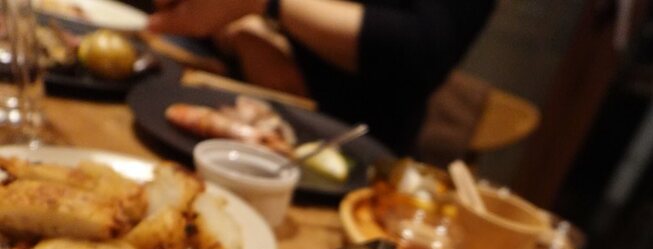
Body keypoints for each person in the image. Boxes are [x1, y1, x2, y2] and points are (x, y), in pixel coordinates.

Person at [148, 0, 496, 154]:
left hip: (347, 155)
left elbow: (421, 49)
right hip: (223, 101)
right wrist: (242, 28)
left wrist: (262, 4)